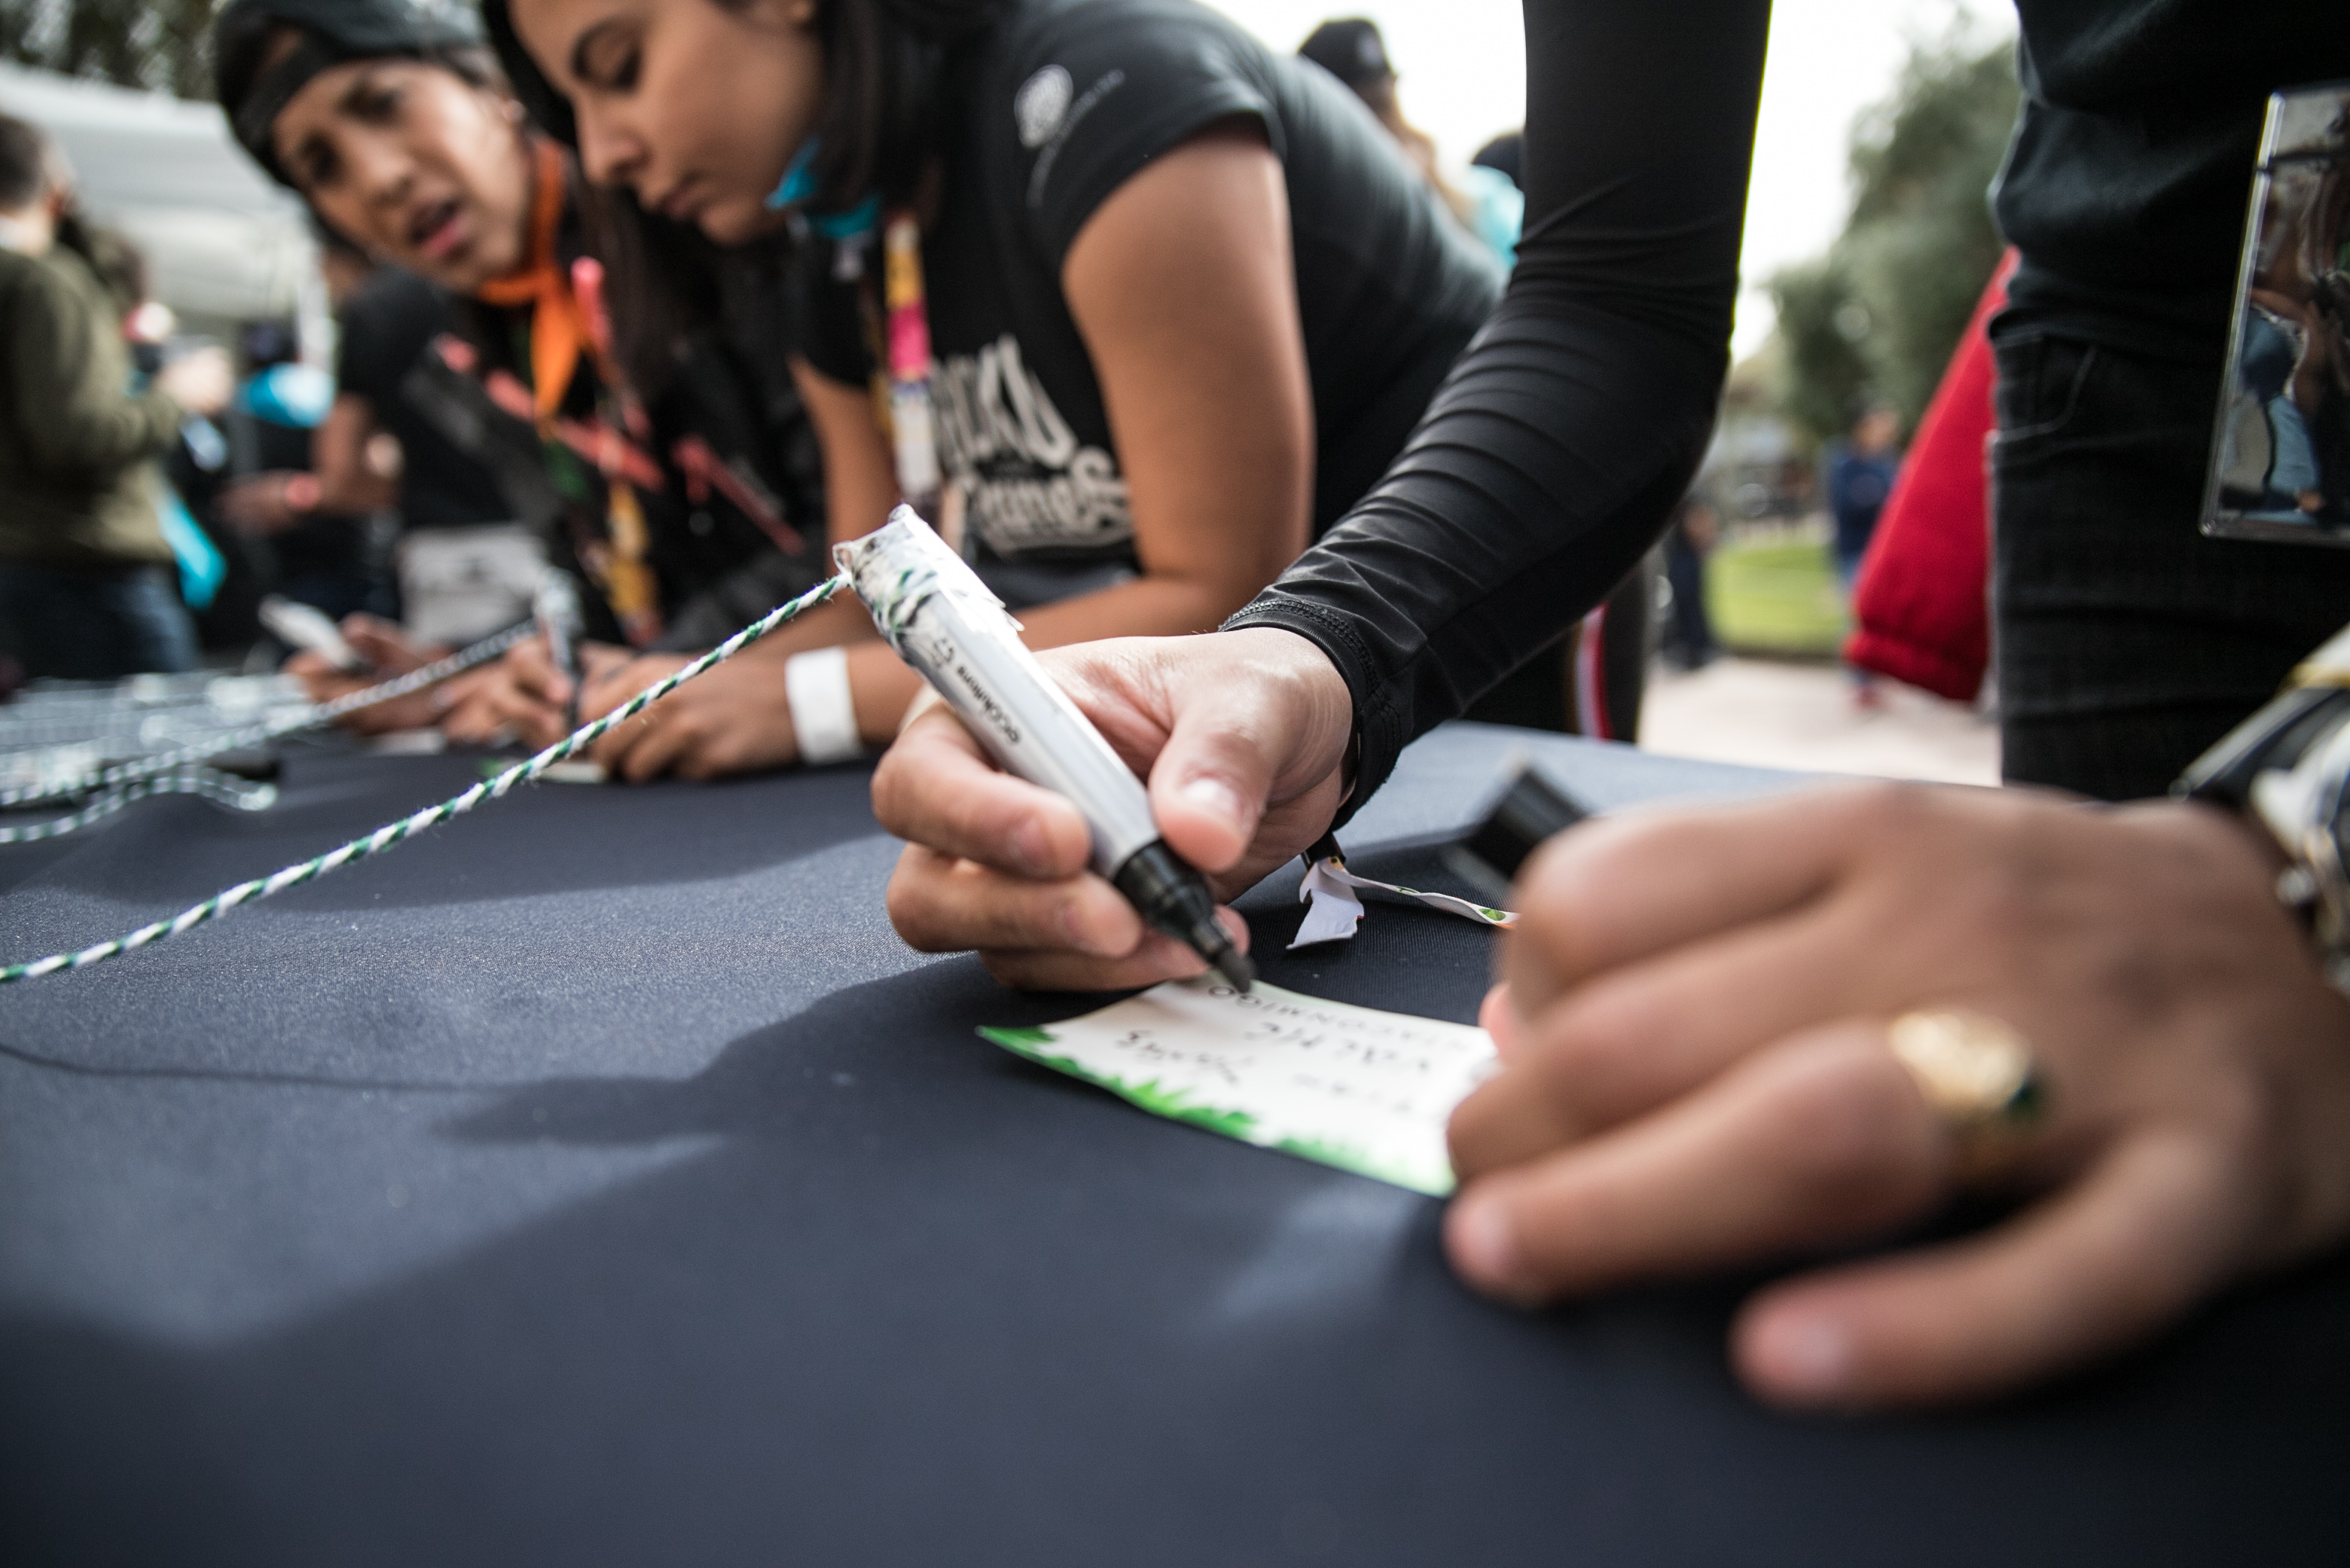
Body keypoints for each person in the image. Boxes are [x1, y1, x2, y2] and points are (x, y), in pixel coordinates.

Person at [866, 0, 2350, 1414]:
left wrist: (2304, 863)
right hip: (2142, 367)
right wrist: (1311, 651)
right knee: (2093, 1260)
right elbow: (1616, 294)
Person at [484, 0, 1501, 782]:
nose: (603, 152)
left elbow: (1226, 598)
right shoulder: (840, 244)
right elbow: (868, 591)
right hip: (1289, 722)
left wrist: (802, 703)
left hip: (1477, 668)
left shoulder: (1106, 93)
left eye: (619, 69)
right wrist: (656, 686)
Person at [210, 0, 826, 741]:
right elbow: (617, 589)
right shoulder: (479, 344)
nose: (378, 178)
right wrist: (463, 680)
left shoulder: (703, 207)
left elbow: (859, 542)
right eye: (323, 168)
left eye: (384, 104)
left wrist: (619, 682)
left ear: (492, 79)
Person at [0, 113, 233, 681]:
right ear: (56, 193)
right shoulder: (44, 284)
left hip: (37, 565)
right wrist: (174, 396)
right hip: (84, 569)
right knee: (161, 736)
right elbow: (78, 435)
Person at [1825, 402, 1899, 707]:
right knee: (1857, 618)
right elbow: (1850, 503)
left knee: (1882, 616)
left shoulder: (1884, 461)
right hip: (1854, 551)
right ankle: (1858, 681)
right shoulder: (1843, 461)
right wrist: (1876, 497)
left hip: (1881, 549)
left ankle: (1876, 676)